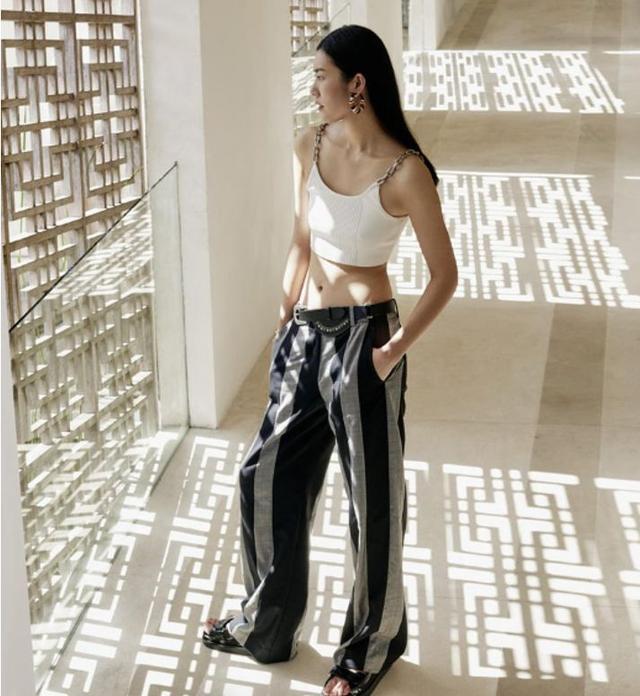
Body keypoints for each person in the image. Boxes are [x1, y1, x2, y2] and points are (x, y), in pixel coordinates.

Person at [201, 24, 457, 696]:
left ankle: (370, 647)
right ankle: (268, 625)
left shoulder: (406, 171)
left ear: (357, 83)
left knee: (372, 502)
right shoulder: (309, 144)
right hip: (304, 334)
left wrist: (392, 351)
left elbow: (445, 275)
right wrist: (284, 317)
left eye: (320, 74)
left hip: (364, 339)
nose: (312, 86)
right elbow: (301, 239)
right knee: (262, 475)